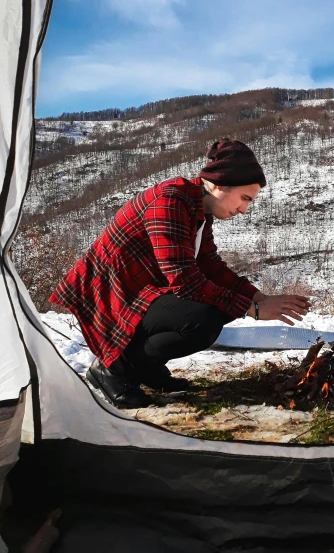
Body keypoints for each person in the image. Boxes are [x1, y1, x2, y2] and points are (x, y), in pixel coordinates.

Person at [49, 139, 310, 409]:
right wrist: (252, 309)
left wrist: (259, 297)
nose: (244, 209)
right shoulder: (170, 202)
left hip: (138, 294)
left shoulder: (198, 208)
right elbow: (186, 283)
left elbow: (211, 267)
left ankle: (144, 368)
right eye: (244, 198)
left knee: (217, 310)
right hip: (110, 295)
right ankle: (113, 369)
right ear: (220, 184)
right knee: (202, 320)